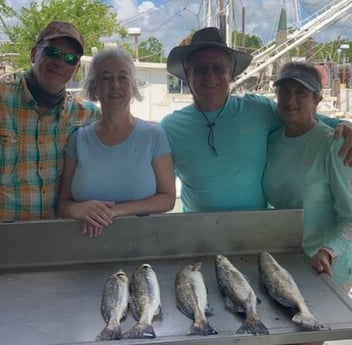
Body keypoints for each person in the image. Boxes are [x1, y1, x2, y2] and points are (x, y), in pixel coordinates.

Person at [160, 26, 352, 213]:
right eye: (200, 69)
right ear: (187, 74)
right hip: (198, 235)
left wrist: (345, 125)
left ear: (231, 73)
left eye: (218, 68)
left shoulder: (258, 110)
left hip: (256, 233)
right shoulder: (169, 128)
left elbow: (301, 117)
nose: (210, 75)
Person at [56, 48, 175, 237]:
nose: (115, 84)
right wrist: (77, 209)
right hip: (82, 247)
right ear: (94, 87)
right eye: (105, 78)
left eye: (123, 77)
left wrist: (117, 211)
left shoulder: (154, 136)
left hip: (143, 247)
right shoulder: (78, 140)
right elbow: (62, 204)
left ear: (133, 86)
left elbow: (168, 199)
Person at [263, 62, 352, 301]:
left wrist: (329, 250)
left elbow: (350, 216)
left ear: (317, 100)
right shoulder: (271, 141)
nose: (290, 99)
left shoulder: (335, 145)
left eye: (301, 92)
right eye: (284, 90)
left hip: (325, 268)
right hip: (285, 264)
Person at [0, 21, 100, 222]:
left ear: (77, 68)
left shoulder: (87, 116)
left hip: (58, 240)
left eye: (70, 58)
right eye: (52, 52)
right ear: (33, 54)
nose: (60, 62)